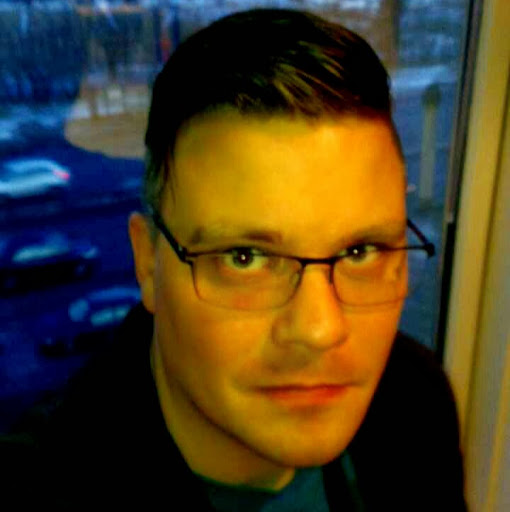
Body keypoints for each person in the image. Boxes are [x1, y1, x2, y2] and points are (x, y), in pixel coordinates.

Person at [2, 8, 466, 510]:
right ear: (149, 263)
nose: (319, 330)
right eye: (245, 258)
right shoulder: (40, 487)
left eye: (361, 251)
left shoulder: (415, 402)